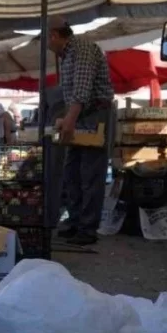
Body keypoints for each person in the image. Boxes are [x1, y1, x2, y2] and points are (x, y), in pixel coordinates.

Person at [48, 16, 114, 246]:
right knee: (72, 172)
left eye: (47, 41)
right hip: (81, 114)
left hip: (95, 114)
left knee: (90, 173)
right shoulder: (67, 56)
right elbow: (73, 94)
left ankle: (87, 228)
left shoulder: (82, 48)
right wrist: (65, 118)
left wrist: (70, 119)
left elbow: (83, 90)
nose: (48, 46)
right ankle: (75, 221)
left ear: (54, 35)